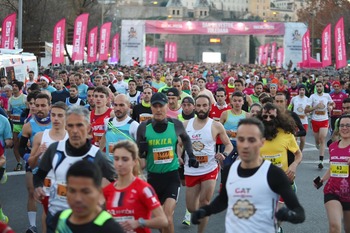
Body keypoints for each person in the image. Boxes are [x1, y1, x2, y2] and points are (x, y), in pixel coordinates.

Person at [191, 118, 305, 232]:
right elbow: (223, 200)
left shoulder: (274, 174)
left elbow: (299, 212)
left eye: (251, 140)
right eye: (241, 139)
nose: (245, 145)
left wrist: (289, 215)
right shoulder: (230, 170)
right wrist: (205, 211)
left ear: (262, 142)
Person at [33, 106, 117, 233]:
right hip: (57, 218)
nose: (75, 131)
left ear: (88, 128)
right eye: (71, 126)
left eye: (79, 125)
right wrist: (38, 187)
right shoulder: (55, 149)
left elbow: (117, 183)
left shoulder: (97, 156)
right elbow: (39, 175)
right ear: (66, 127)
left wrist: (103, 202)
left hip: (85, 221)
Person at [136, 92, 199, 233]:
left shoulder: (175, 124)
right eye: (155, 106)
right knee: (160, 220)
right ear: (151, 108)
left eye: (161, 106)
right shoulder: (143, 128)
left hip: (171, 177)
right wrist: (142, 150)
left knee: (167, 217)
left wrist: (191, 155)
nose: (158, 109)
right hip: (152, 178)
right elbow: (139, 155)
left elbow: (186, 139)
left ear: (166, 107)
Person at [183, 95, 233, 233]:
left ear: (210, 107)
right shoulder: (186, 125)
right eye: (198, 105)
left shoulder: (216, 125)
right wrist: (179, 156)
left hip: (209, 169)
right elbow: (180, 145)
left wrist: (223, 154)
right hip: (191, 170)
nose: (201, 108)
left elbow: (229, 145)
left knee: (204, 204)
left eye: (204, 105)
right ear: (194, 107)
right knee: (192, 207)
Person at [104, 140, 168, 233]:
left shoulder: (143, 188)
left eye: (125, 159)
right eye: (116, 159)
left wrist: (139, 222)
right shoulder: (107, 190)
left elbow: (163, 221)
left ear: (134, 161)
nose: (120, 164)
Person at [53, 160, 124, 233]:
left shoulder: (111, 229)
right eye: (72, 191)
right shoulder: (60, 219)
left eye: (85, 192)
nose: (78, 199)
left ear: (99, 192)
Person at [20, 93, 52, 233]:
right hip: (34, 163)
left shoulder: (56, 122)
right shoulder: (28, 126)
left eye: (43, 105)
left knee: (53, 196)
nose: (39, 108)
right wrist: (28, 157)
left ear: (49, 106)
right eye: (37, 105)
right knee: (32, 192)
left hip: (53, 166)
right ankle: (32, 226)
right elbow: (20, 147)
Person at [316, 115, 350, 233]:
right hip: (332, 191)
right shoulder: (332, 146)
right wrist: (321, 180)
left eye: (348, 125)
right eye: (342, 125)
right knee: (335, 226)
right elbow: (332, 168)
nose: (344, 128)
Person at [99, 94, 139, 160]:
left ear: (128, 106)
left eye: (121, 105)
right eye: (115, 105)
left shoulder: (134, 126)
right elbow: (104, 136)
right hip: (109, 168)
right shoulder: (108, 122)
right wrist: (99, 153)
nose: (118, 108)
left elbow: (139, 150)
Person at [305, 81, 335, 169]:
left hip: (324, 120)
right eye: (317, 86)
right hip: (315, 120)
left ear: (323, 87)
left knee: (322, 138)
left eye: (320, 86)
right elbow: (306, 110)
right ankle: (316, 143)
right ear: (316, 88)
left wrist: (331, 107)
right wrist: (315, 107)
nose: (319, 88)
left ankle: (321, 161)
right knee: (317, 140)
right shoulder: (312, 97)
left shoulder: (327, 95)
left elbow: (332, 103)